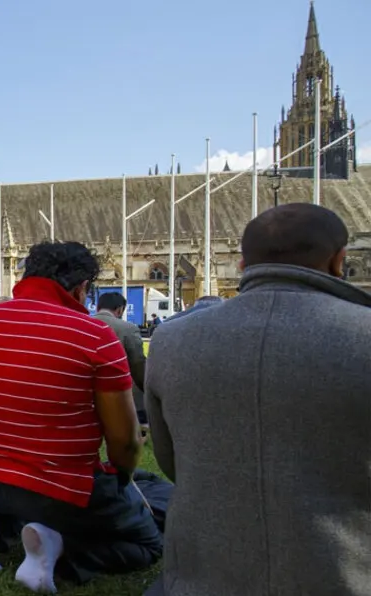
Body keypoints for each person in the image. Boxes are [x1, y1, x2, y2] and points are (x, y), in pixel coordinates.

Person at [145, 204, 371, 596]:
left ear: (243, 264)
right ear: (340, 261)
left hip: (201, 577)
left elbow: (171, 460)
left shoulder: (171, 340)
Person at [0, 241, 157, 592]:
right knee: (149, 542)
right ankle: (59, 549)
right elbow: (124, 444)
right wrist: (119, 479)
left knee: (20, 486)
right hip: (60, 490)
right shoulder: (94, 336)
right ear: (81, 289)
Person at [94, 292, 147, 427]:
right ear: (120, 309)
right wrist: (146, 387)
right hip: (120, 396)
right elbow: (137, 363)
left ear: (97, 308)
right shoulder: (128, 329)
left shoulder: (82, 324)